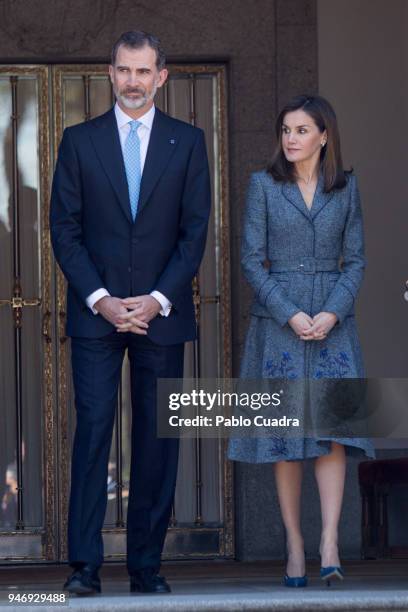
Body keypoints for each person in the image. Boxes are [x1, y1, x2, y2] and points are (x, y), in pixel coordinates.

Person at [50, 30, 211, 595]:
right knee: (93, 434)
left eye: (144, 72)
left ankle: (146, 566)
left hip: (162, 315)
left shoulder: (189, 143)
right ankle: (84, 568)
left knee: (157, 442)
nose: (133, 82)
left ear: (161, 76)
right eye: (124, 70)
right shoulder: (78, 140)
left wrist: (156, 299)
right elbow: (64, 231)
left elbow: (194, 235)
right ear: (110, 73)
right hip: (97, 316)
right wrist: (103, 299)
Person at [227, 94, 374, 587]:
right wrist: (290, 313)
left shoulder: (347, 188)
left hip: (334, 324)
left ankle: (329, 542)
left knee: (331, 430)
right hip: (279, 324)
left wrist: (332, 311)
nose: (290, 139)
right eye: (286, 130)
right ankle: (294, 544)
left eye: (301, 130)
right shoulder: (263, 185)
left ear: (324, 135)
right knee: (285, 435)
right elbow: (251, 258)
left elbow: (355, 259)